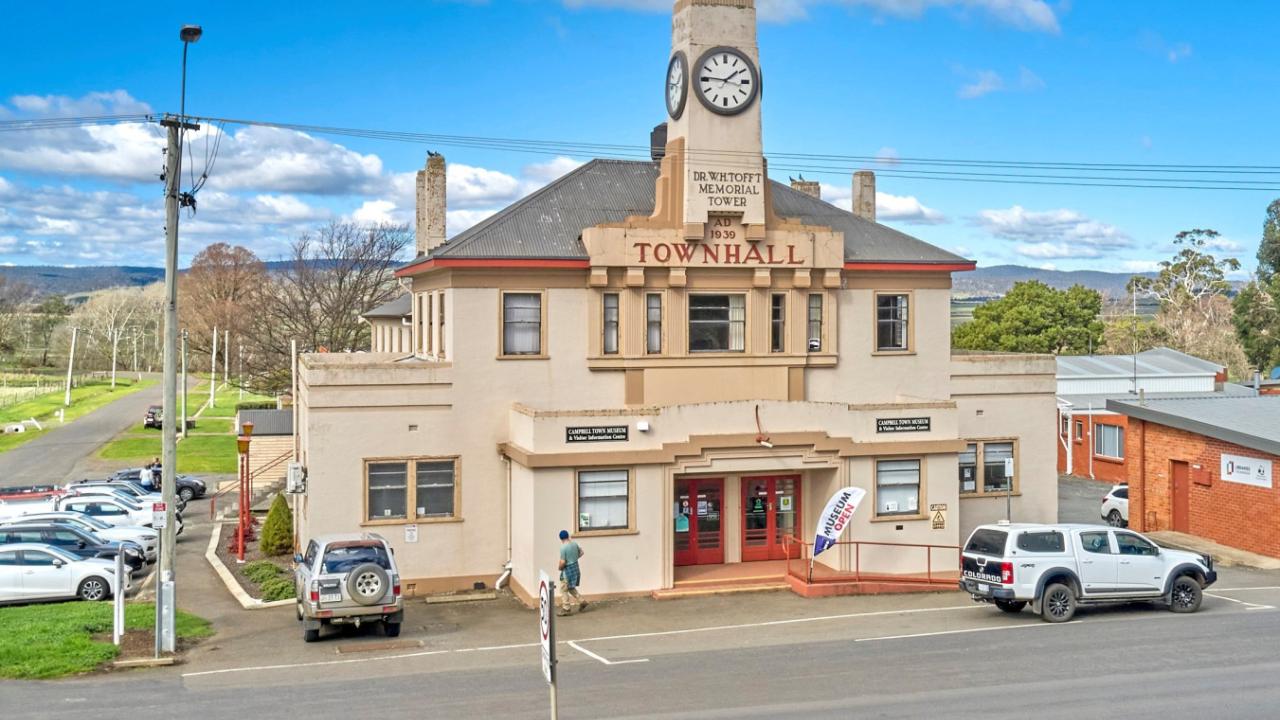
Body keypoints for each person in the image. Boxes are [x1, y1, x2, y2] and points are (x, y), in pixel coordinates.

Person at [557, 530, 587, 615]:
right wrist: (574, 558)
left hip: (567, 570)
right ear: (568, 536)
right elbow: (581, 552)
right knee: (570, 587)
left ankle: (566, 608)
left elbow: (563, 562)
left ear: (561, 538)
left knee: (563, 589)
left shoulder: (563, 547)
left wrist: (559, 568)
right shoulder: (574, 544)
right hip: (575, 568)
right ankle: (582, 601)